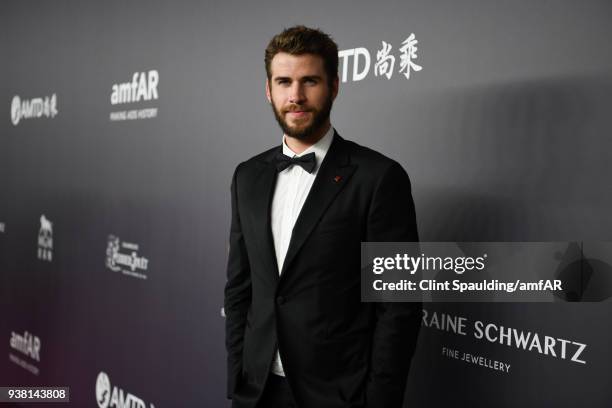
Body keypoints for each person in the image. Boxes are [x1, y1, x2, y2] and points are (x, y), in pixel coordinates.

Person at [224, 25, 421, 408]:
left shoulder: (379, 178)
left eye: (309, 81)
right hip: (257, 392)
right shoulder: (247, 176)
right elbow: (239, 289)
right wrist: (238, 375)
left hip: (339, 396)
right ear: (269, 90)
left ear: (334, 86)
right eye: (283, 82)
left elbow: (400, 305)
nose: (295, 96)